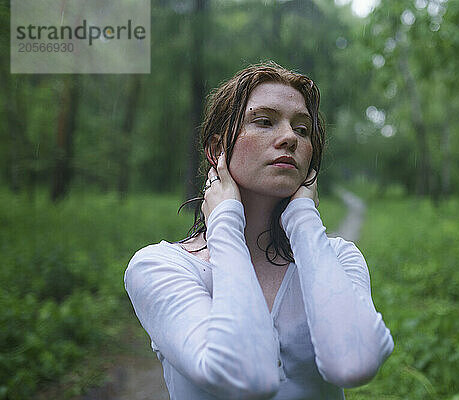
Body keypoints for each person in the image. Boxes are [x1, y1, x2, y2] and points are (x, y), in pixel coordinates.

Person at [124, 62, 394, 399]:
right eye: (264, 121)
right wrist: (225, 223)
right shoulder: (162, 267)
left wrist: (304, 219)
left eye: (303, 129)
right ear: (217, 149)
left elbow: (355, 364)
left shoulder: (338, 257)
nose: (289, 138)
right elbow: (245, 374)